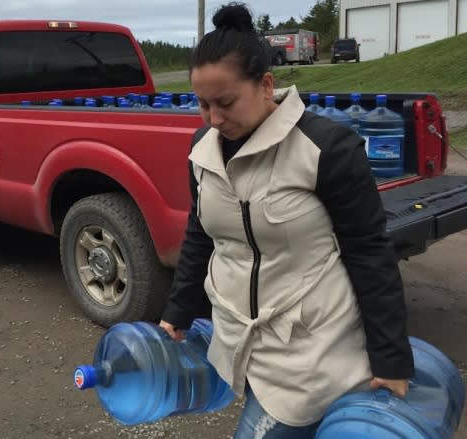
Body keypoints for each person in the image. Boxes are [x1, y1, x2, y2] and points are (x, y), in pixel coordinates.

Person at [158, 3, 414, 438]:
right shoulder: (203, 148)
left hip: (311, 348)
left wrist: (391, 361)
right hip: (242, 336)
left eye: (225, 103)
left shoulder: (324, 148)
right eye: (202, 104)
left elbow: (370, 253)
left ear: (266, 85)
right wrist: (178, 311)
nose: (214, 119)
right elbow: (202, 232)